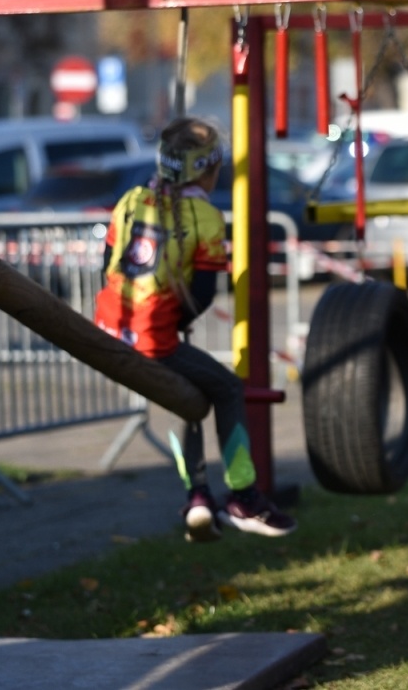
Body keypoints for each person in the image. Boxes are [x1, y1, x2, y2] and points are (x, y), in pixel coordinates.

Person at [93, 118, 296, 542]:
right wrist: (175, 323)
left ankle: (198, 496)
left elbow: (107, 265)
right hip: (153, 338)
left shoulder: (131, 200)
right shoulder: (204, 216)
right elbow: (202, 292)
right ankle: (242, 494)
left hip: (109, 326)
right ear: (209, 169)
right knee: (227, 389)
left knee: (187, 397)